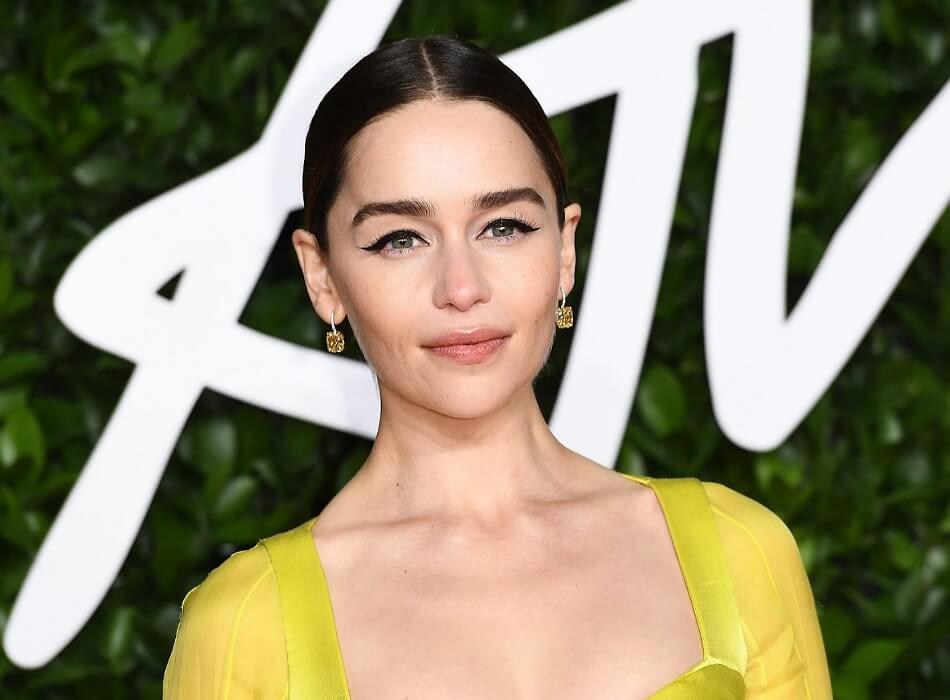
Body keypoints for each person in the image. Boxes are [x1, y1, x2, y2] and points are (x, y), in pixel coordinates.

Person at [163, 35, 833, 699]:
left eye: (503, 227)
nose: (462, 287)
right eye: (400, 239)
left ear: (564, 250)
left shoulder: (738, 550)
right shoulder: (246, 625)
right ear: (322, 277)